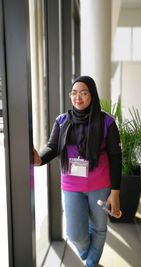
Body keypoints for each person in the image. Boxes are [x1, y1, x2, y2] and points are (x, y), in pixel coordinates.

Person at [33, 75, 122, 267]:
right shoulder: (62, 120)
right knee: (75, 234)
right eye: (74, 93)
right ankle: (87, 252)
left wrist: (115, 192)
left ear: (92, 95)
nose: (78, 98)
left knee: (98, 227)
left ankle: (91, 263)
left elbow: (115, 156)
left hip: (100, 185)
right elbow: (53, 147)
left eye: (83, 93)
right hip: (71, 186)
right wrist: (39, 159)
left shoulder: (106, 122)